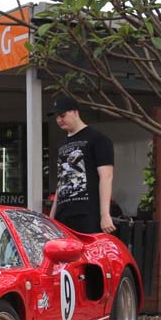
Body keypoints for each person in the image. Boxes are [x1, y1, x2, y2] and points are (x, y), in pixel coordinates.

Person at [49, 94, 115, 233]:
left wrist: (105, 214)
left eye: (62, 115)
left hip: (87, 213)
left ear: (75, 112)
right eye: (56, 117)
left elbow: (106, 177)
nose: (59, 120)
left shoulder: (97, 139)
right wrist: (51, 218)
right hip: (63, 215)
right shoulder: (61, 145)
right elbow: (61, 182)